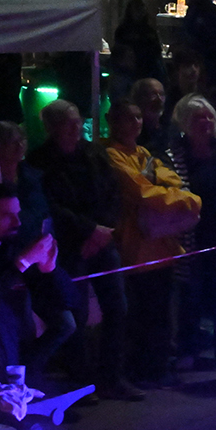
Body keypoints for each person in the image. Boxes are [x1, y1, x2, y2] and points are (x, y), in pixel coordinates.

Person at [31, 100, 139, 400]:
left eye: (77, 121)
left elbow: (112, 193)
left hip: (102, 239)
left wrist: (103, 230)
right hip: (69, 245)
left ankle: (112, 377)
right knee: (76, 314)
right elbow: (51, 206)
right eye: (67, 123)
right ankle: (81, 382)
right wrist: (88, 230)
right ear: (51, 127)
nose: (75, 127)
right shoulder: (40, 161)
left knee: (117, 307)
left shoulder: (94, 153)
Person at [104, 98, 201, 387]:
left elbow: (172, 181)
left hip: (161, 245)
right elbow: (141, 192)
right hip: (135, 248)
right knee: (141, 314)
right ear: (113, 122)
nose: (135, 123)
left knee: (161, 312)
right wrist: (187, 200)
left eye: (138, 117)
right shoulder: (111, 155)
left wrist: (174, 193)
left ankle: (158, 367)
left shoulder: (144, 153)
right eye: (128, 118)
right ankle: (142, 370)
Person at [165, 95, 216, 371]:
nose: (206, 122)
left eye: (209, 116)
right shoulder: (174, 155)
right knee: (190, 296)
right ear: (185, 122)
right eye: (199, 118)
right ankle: (188, 349)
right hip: (190, 236)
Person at [0, 184, 58, 381]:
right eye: (6, 216)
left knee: (66, 323)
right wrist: (23, 263)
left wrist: (49, 269)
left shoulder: (14, 246)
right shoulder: (18, 256)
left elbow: (68, 300)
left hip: (16, 346)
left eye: (18, 214)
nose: (17, 222)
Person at [112, 0, 164, 85]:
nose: (140, 11)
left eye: (142, 8)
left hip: (148, 71)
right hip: (127, 72)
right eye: (137, 8)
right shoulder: (123, 30)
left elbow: (157, 52)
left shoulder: (149, 30)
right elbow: (118, 52)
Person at [131, 78, 168, 152]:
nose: (159, 99)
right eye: (153, 94)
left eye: (161, 94)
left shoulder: (168, 126)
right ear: (139, 98)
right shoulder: (133, 132)